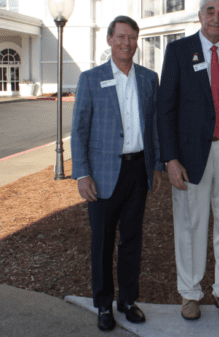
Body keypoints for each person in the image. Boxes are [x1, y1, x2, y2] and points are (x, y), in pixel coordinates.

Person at [157, 0, 219, 321]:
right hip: (190, 154)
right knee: (190, 226)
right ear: (200, 16)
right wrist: (170, 159)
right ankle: (190, 293)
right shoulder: (180, 52)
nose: (216, 17)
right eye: (210, 11)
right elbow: (165, 109)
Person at [71, 16, 164, 332]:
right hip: (103, 173)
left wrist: (157, 165)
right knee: (102, 241)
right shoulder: (91, 79)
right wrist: (82, 174)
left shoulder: (149, 79)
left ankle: (127, 300)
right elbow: (80, 129)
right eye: (122, 37)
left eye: (133, 38)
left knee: (132, 239)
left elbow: (154, 126)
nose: (127, 43)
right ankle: (103, 304)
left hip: (138, 169)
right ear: (110, 39)